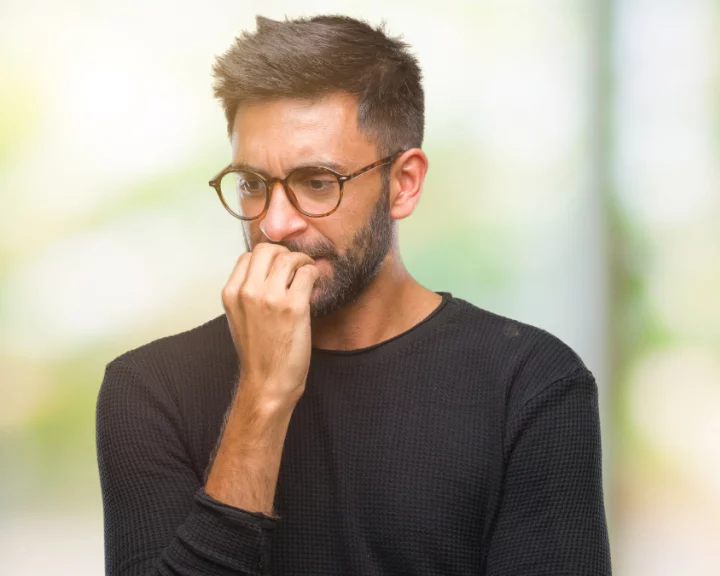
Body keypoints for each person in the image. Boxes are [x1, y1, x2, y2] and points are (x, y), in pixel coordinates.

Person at [94, 14, 611, 576]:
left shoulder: (530, 383)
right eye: (252, 184)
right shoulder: (149, 389)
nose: (276, 222)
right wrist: (263, 400)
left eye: (318, 182)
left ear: (404, 183)